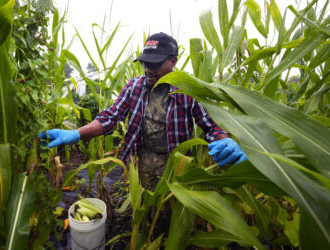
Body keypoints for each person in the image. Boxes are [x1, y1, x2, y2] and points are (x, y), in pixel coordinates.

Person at [39, 32, 247, 191]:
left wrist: (223, 140)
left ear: (173, 62)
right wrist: (76, 134)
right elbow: (110, 118)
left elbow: (212, 126)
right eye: (146, 62)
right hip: (140, 162)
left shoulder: (188, 90)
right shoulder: (134, 86)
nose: (148, 68)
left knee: (170, 210)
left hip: (176, 165)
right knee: (143, 210)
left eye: (155, 63)